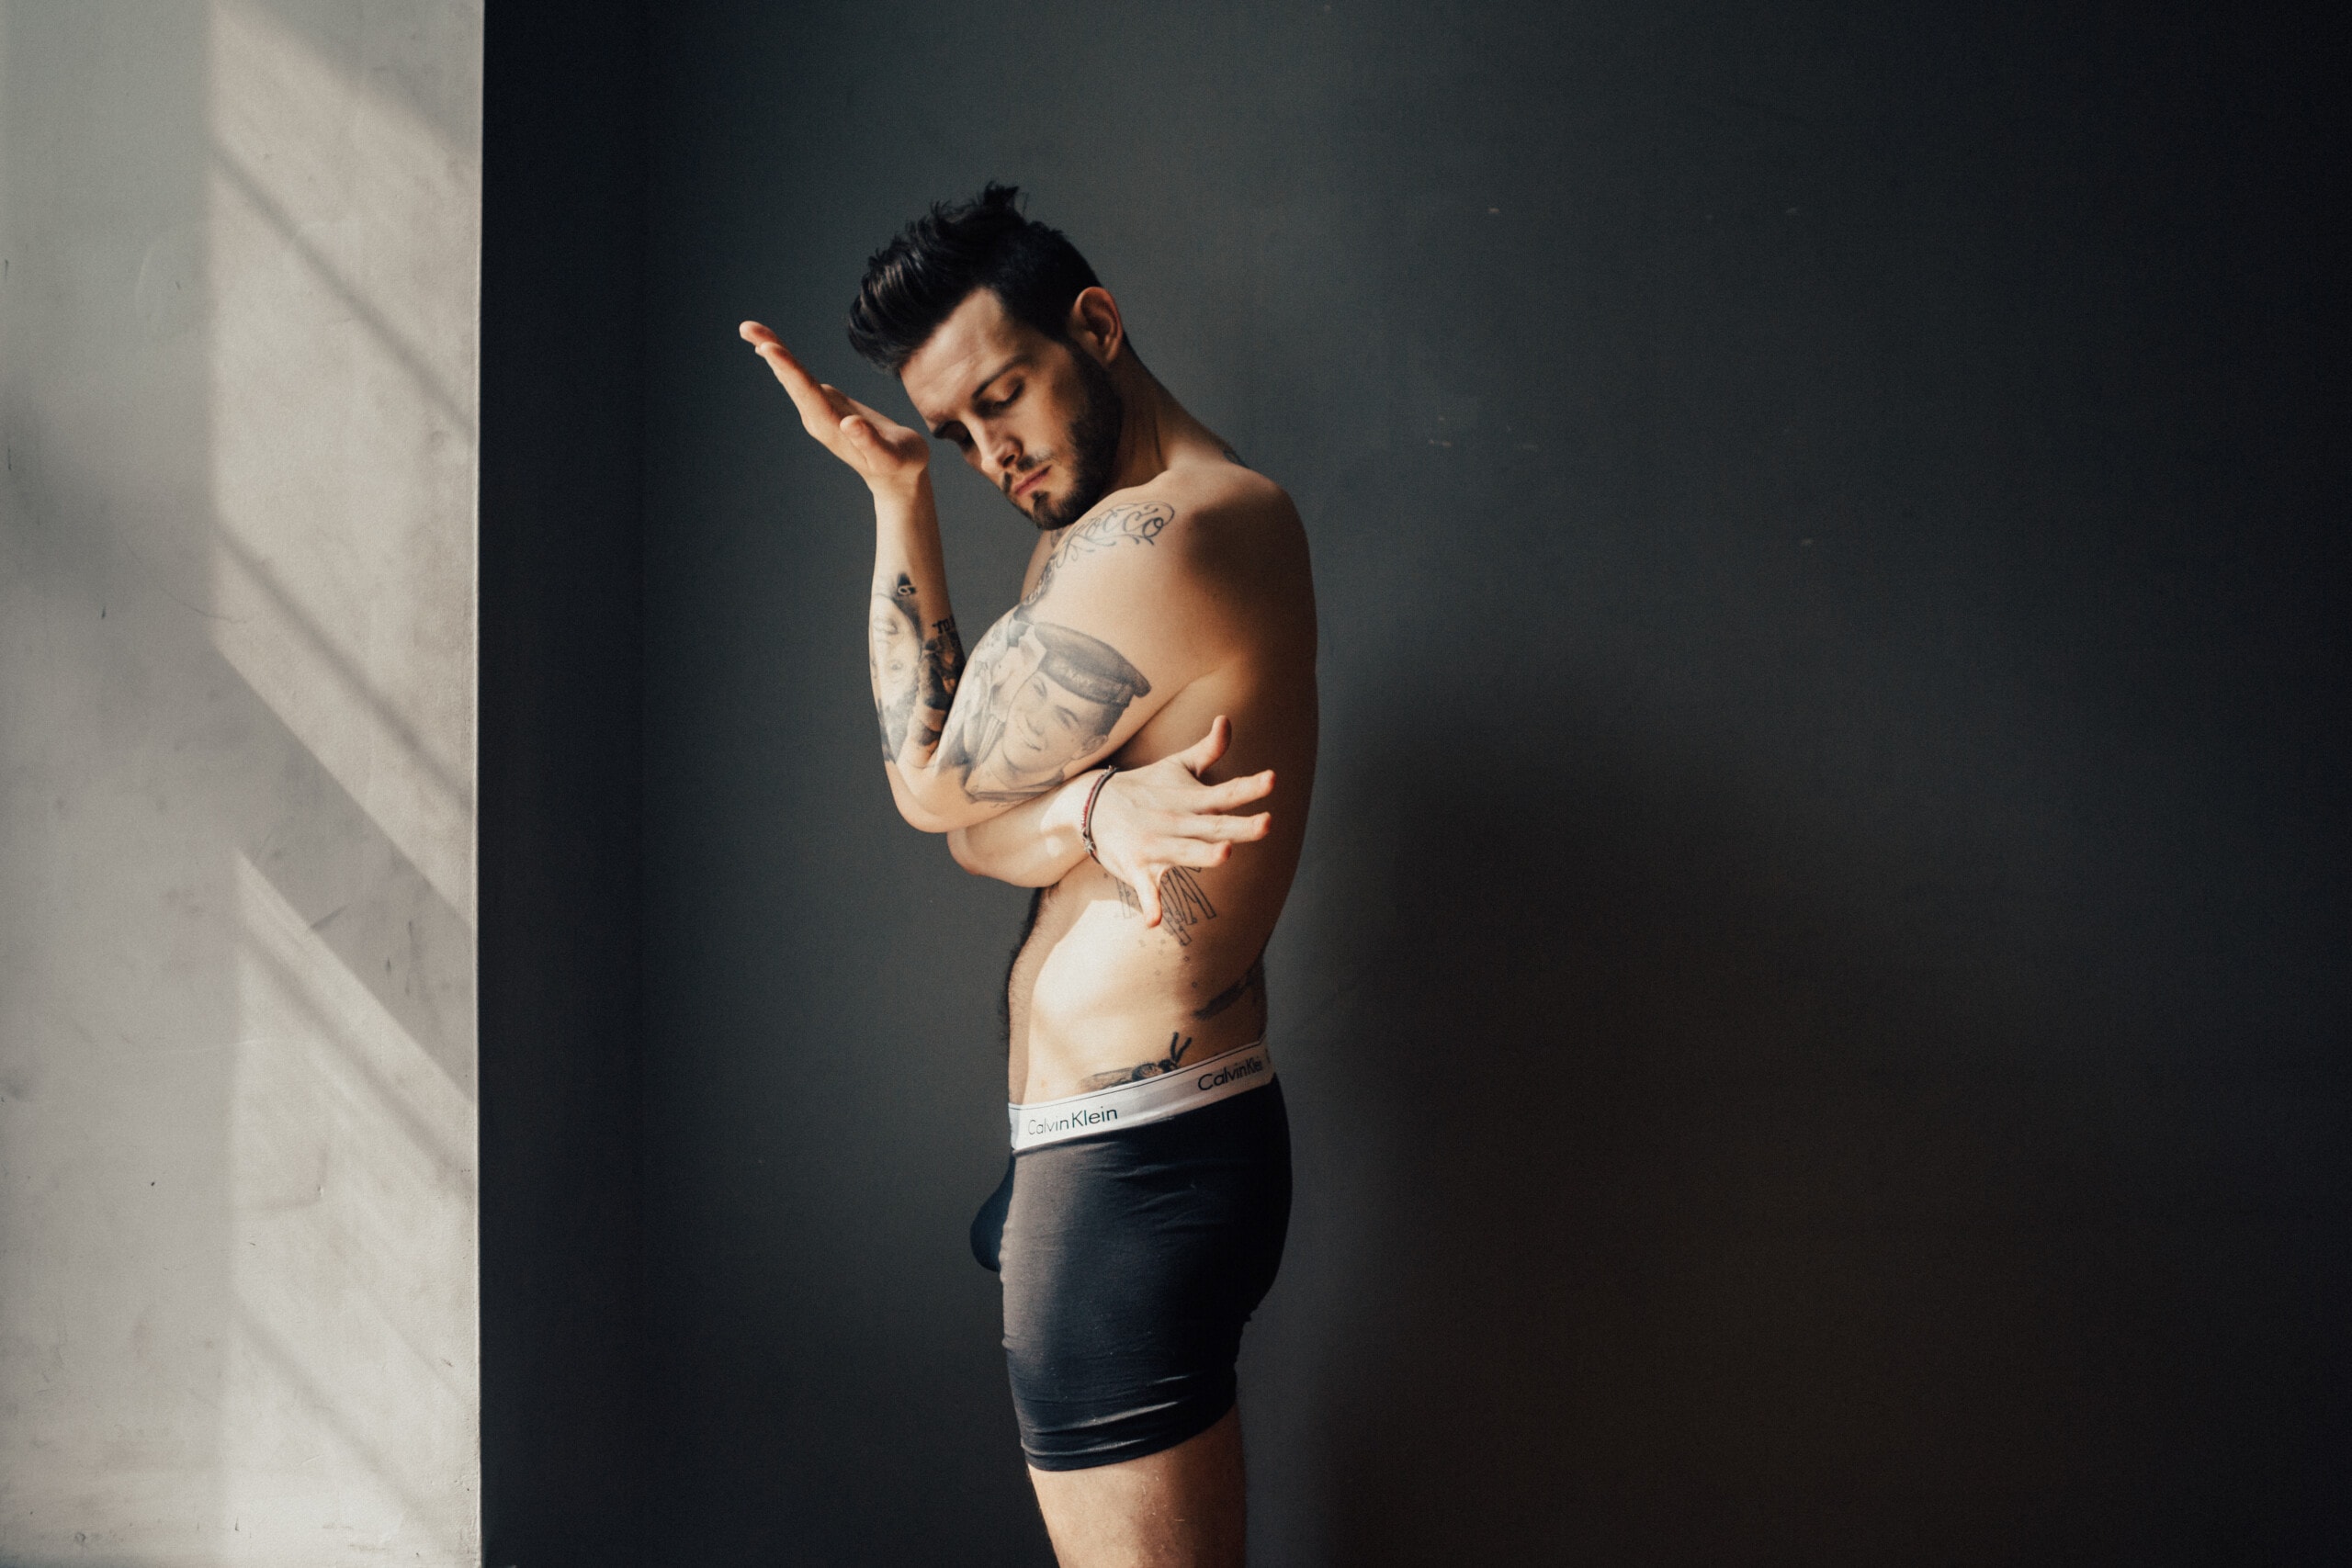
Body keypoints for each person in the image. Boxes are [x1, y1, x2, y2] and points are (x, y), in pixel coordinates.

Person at [741, 183, 1317, 1568]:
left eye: (1001, 397)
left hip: (1137, 1160)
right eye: (951, 436)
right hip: (1121, 1149)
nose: (987, 453)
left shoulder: (1172, 532)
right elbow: (981, 833)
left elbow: (931, 784)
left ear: (1095, 328)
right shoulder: (1092, 533)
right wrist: (1100, 805)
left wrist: (897, 501)